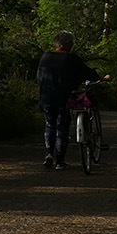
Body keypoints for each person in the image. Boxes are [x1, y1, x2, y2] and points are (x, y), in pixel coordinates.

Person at [36, 31, 104, 170]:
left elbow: (39, 76)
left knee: (50, 124)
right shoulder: (71, 58)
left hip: (47, 98)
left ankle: (49, 153)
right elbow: (88, 72)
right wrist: (100, 77)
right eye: (71, 42)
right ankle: (60, 161)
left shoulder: (46, 56)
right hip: (64, 98)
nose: (72, 45)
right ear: (66, 43)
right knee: (62, 127)